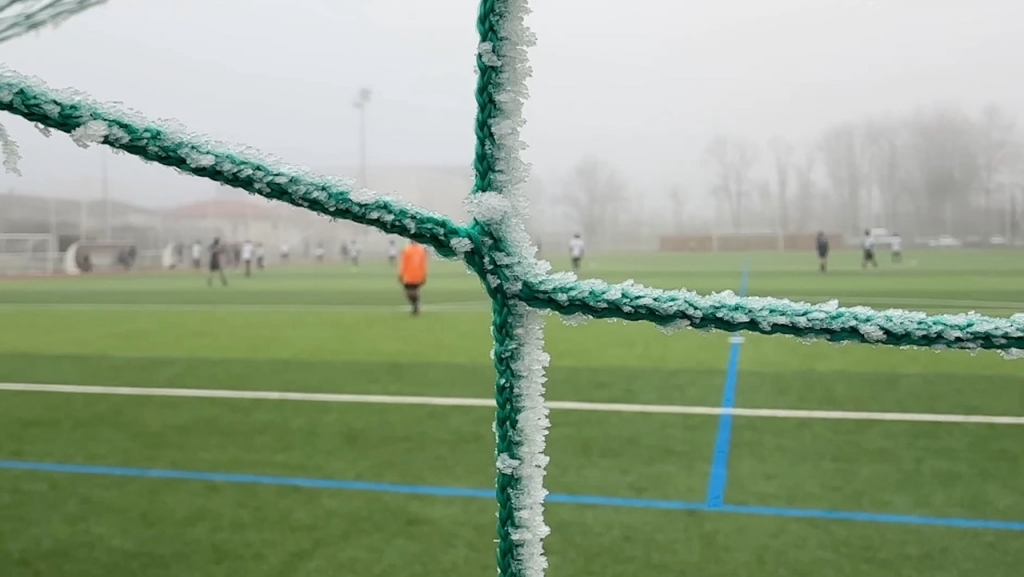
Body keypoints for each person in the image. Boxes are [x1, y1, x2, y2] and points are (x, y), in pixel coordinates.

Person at [399, 240, 428, 316]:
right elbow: (423, 264)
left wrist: (401, 274)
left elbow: (403, 264)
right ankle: (415, 304)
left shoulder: (407, 250)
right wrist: (424, 275)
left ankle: (415, 304)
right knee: (414, 291)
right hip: (417, 275)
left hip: (409, 275)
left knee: (409, 292)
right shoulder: (420, 251)